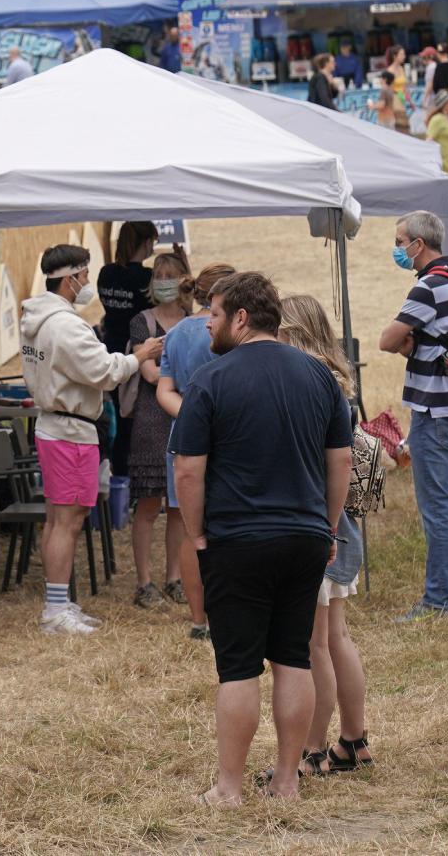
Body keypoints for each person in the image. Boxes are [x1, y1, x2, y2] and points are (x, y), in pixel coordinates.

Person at [174, 273, 352, 806]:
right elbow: (339, 459)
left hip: (238, 539)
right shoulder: (321, 378)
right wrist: (328, 524)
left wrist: (197, 534)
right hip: (304, 538)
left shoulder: (211, 380)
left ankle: (229, 788)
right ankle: (287, 781)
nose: (208, 321)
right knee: (293, 658)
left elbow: (188, 470)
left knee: (239, 666)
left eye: (214, 312)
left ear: (241, 319)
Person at [20, 244, 162, 635]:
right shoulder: (65, 325)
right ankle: (54, 609)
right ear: (69, 280)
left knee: (58, 519)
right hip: (70, 430)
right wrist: (140, 355)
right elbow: (102, 371)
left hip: (56, 426)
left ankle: (59, 602)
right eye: (83, 276)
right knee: (66, 521)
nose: (87, 283)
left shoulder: (38, 317)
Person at [277, 294, 375, 778]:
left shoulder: (307, 385)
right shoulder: (340, 383)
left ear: (292, 332)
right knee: (336, 638)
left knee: (314, 645)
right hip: (343, 526)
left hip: (320, 526)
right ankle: (353, 740)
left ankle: (311, 751)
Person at [378, 210, 448, 621]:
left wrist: (409, 342)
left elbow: (387, 340)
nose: (398, 249)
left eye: (401, 242)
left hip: (433, 409)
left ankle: (437, 600)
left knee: (436, 506)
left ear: (419, 245)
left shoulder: (428, 287)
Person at [155, 262, 238, 642]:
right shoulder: (231, 330)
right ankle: (228, 614)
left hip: (184, 436)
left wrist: (191, 416)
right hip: (228, 434)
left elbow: (163, 390)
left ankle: (198, 620)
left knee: (192, 530)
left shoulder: (175, 334)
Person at [127, 251, 192, 609]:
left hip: (183, 420)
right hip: (151, 422)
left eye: (171, 274)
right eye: (159, 274)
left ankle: (174, 577)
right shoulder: (142, 322)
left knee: (179, 508)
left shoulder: (192, 320)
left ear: (183, 279)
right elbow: (149, 373)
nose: (164, 280)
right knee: (149, 505)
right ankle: (143, 582)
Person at [99, 221, 159, 490]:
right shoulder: (145, 279)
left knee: (120, 418)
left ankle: (120, 478)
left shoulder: (106, 273)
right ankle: (133, 480)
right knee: (136, 420)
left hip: (110, 349)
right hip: (138, 353)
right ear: (146, 243)